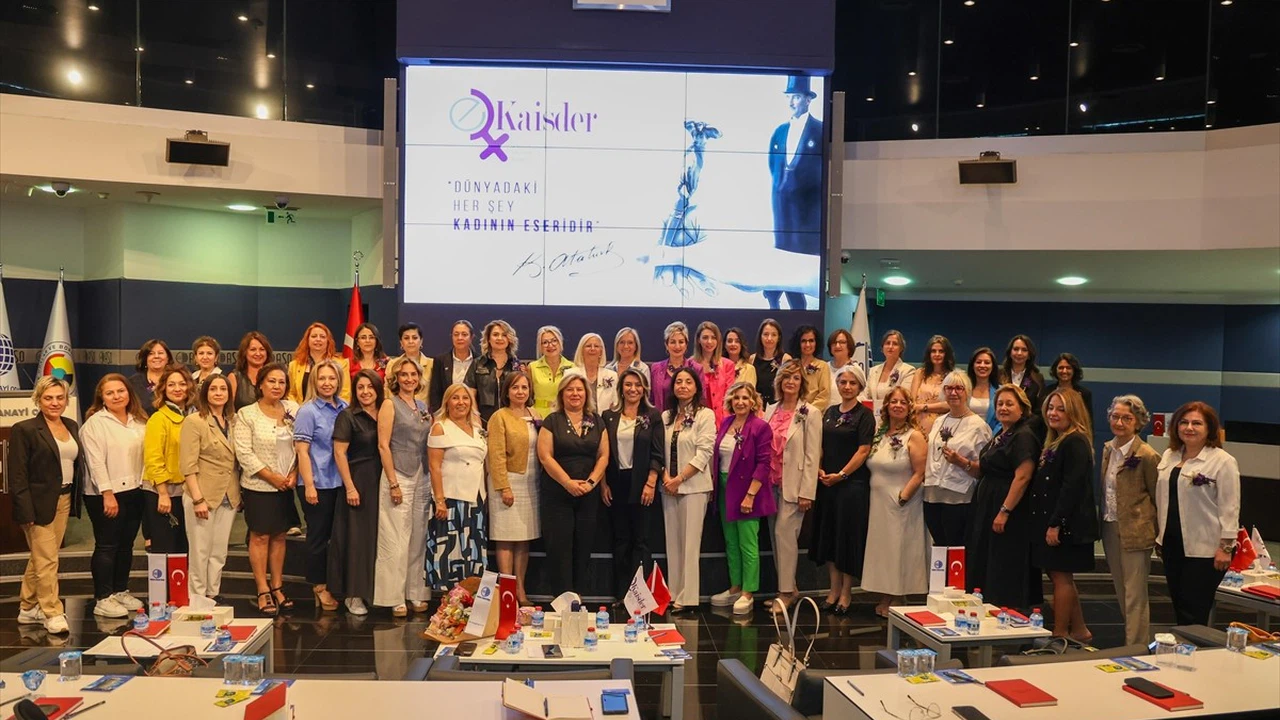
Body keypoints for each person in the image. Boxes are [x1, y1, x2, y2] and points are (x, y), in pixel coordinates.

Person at [1156, 401, 1241, 626]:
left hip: (1205, 549)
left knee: (1195, 609)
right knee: (1179, 605)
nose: (1189, 428)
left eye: (1197, 423)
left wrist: (1226, 547)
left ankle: (1196, 646)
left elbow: (1230, 506)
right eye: (1183, 422)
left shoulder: (1223, 461)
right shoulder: (1170, 455)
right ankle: (1185, 645)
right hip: (1172, 543)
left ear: (1209, 428)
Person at [10, 377, 83, 634]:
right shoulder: (25, 429)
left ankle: (28, 607)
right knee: (48, 560)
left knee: (42, 558)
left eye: (59, 398)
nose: (55, 403)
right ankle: (52, 611)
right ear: (38, 400)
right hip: (36, 504)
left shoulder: (71, 426)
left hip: (63, 499)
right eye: (48, 398)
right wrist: (25, 510)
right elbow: (17, 475)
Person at [963, 384, 1041, 610]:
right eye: (1000, 404)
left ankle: (1008, 609)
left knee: (1004, 559)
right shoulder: (1002, 433)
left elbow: (1023, 476)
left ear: (1022, 408)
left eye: (1009, 404)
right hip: (988, 502)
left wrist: (1004, 511)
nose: (1003, 408)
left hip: (1008, 508)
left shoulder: (1023, 436)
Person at [1029, 389, 1098, 641]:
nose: (1053, 413)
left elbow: (1072, 487)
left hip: (1066, 524)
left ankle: (1060, 634)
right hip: (1052, 520)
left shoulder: (1075, 441)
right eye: (1050, 408)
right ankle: (1080, 630)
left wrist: (1056, 523)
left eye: (1060, 409)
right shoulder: (1056, 440)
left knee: (1061, 577)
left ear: (1073, 412)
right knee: (1059, 575)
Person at [233, 363, 299, 616]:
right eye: (271, 381)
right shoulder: (246, 414)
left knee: (280, 535)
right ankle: (262, 589)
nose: (277, 386)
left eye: (281, 382)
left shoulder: (293, 410)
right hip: (259, 486)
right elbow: (244, 452)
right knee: (260, 536)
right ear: (260, 384)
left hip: (286, 485)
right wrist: (271, 477)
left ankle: (277, 586)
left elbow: (302, 445)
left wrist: (294, 473)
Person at [80, 374, 148, 618]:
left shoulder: (139, 420)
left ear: (129, 392)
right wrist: (107, 494)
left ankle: (120, 590)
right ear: (102, 397)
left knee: (126, 545)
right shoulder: (95, 424)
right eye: (110, 393)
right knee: (107, 545)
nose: (117, 396)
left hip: (134, 490)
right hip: (105, 494)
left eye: (121, 391)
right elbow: (96, 462)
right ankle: (103, 597)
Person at [809, 364, 875, 615]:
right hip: (828, 484)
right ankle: (833, 589)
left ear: (860, 386)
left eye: (852, 383)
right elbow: (821, 444)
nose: (847, 387)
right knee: (829, 538)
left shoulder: (865, 415)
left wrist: (842, 474)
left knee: (846, 539)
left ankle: (846, 592)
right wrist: (819, 468)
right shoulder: (829, 412)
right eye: (843, 382)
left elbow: (863, 450)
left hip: (852, 486)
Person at [537, 373, 609, 595]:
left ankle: (578, 599)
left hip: (588, 493)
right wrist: (567, 482)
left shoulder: (597, 421)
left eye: (579, 389)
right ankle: (562, 599)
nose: (575, 394)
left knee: (583, 547)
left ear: (586, 394)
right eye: (570, 389)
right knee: (559, 548)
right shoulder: (552, 420)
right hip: (557, 494)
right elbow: (545, 457)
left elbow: (604, 456)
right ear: (562, 394)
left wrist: (591, 482)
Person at [1098, 394, 1160, 646]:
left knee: (1135, 594)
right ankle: (1135, 640)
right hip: (1110, 525)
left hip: (1136, 531)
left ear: (1138, 422)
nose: (1119, 422)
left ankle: (1135, 647)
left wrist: (1158, 534)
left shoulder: (1147, 455)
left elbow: (1157, 497)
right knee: (1121, 590)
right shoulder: (1107, 449)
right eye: (1115, 417)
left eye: (1126, 418)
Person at [710, 382, 775, 615]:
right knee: (731, 542)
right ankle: (735, 587)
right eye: (736, 398)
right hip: (725, 488)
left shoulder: (760, 427)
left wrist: (750, 495)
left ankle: (748, 591)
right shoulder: (726, 423)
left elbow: (764, 463)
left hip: (748, 490)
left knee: (748, 544)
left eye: (745, 398)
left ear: (753, 402)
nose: (740, 402)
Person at [863, 386, 929, 616]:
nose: (898, 406)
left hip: (902, 502)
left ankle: (899, 596)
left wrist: (904, 496)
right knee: (885, 551)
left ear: (909, 407)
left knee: (900, 549)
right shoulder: (879, 435)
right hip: (879, 502)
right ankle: (886, 594)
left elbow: (920, 472)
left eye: (903, 402)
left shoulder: (914, 435)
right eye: (894, 402)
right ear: (886, 406)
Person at [762, 360, 822, 615]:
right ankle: (789, 587)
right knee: (777, 538)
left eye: (796, 378)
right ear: (779, 381)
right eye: (786, 377)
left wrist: (807, 492)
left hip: (794, 487)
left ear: (802, 383)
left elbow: (812, 454)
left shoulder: (810, 412)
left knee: (784, 536)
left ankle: (785, 593)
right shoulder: (770, 409)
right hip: (770, 484)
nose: (790, 382)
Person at [602, 367, 664, 603]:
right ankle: (621, 594)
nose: (633, 389)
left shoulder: (652, 415)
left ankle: (640, 597)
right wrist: (603, 484)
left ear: (644, 389)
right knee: (621, 540)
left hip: (642, 483)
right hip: (616, 483)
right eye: (628, 384)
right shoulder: (608, 416)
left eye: (638, 385)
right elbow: (603, 454)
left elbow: (658, 453)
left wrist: (651, 482)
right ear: (621, 388)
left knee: (641, 540)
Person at [376, 358, 432, 617]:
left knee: (418, 537)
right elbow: (383, 445)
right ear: (396, 378)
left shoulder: (422, 406)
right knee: (396, 538)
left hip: (422, 475)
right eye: (404, 375)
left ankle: (416, 592)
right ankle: (394, 597)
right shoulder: (390, 404)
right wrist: (393, 483)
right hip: (398, 475)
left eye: (413, 374)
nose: (409, 379)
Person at [179, 374, 240, 602]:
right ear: (205, 393)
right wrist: (197, 499)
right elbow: (188, 465)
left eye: (223, 389)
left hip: (229, 495)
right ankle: (197, 598)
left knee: (218, 551)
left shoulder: (233, 421)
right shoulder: (194, 421)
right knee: (200, 551)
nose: (219, 393)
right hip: (202, 494)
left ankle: (213, 594)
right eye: (213, 389)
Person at [293, 360, 348, 612]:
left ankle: (336, 583)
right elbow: (302, 451)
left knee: (337, 538)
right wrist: (309, 485)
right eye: (322, 378)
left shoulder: (344, 407)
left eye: (332, 378)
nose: (327, 383)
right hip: (318, 483)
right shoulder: (308, 411)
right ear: (314, 381)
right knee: (318, 537)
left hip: (340, 483)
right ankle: (319, 586)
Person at [765, 74, 823, 310]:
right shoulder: (780, 132)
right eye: (789, 97)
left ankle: (798, 310)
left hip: (807, 211)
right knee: (782, 253)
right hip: (782, 207)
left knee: (799, 259)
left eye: (796, 97)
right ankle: (775, 300)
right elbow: (773, 165)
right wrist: (783, 186)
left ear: (808, 99)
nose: (791, 102)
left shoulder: (820, 130)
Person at [659, 367, 715, 613]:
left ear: (696, 387)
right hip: (668, 487)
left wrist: (679, 479)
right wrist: (666, 478)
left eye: (688, 382)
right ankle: (673, 593)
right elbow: (658, 450)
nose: (682, 386)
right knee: (672, 543)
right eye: (678, 382)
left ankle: (689, 597)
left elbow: (704, 453)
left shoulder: (705, 415)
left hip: (693, 487)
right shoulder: (666, 416)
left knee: (690, 544)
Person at [329, 370, 385, 616]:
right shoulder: (348, 416)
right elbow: (339, 452)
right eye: (360, 387)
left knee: (377, 538)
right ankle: (353, 595)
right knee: (357, 540)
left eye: (370, 387)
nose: (365, 392)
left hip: (383, 480)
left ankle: (375, 592)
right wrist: (350, 486)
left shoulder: (386, 413)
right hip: (359, 481)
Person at [426, 383, 489, 590]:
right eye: (455, 398)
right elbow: (434, 466)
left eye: (465, 398)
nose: (461, 402)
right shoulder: (440, 427)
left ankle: (472, 596)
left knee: (473, 549)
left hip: (475, 499)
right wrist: (439, 500)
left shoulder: (478, 430)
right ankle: (450, 600)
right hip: (451, 500)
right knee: (451, 550)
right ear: (447, 402)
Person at [487, 370, 542, 605]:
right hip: (508, 482)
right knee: (506, 538)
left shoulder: (535, 414)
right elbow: (496, 455)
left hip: (531, 482)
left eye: (524, 387)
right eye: (515, 387)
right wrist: (504, 487)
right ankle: (507, 591)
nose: (520, 392)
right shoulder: (500, 416)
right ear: (507, 392)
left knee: (523, 539)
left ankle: (521, 589)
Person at [925, 371, 993, 547]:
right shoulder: (939, 421)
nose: (953, 393)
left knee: (957, 551)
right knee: (939, 551)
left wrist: (961, 462)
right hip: (932, 496)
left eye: (959, 388)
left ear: (967, 391)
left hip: (959, 498)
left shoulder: (978, 426)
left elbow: (984, 470)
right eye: (949, 388)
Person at [143, 365, 193, 553]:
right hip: (163, 492)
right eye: (171, 385)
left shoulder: (193, 416)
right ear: (163, 389)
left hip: (186, 491)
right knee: (166, 550)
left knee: (184, 548)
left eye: (182, 384)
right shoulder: (158, 419)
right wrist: (163, 494)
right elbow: (153, 459)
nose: (177, 389)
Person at [286, 322, 351, 405]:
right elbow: (291, 393)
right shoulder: (294, 365)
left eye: (322, 337)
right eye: (314, 336)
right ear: (307, 340)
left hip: (332, 411)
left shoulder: (341, 364)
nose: (318, 339)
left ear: (328, 341)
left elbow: (345, 394)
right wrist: (298, 409)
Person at [476, 319, 522, 423]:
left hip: (511, 420)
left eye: (504, 335)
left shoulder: (516, 365)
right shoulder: (477, 364)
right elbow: (470, 394)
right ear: (488, 338)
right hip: (483, 420)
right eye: (495, 335)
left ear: (509, 339)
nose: (500, 338)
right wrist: (475, 418)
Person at [692, 321, 737, 425]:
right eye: (705, 338)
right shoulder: (690, 365)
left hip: (722, 421)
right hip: (698, 420)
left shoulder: (727, 365)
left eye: (713, 338)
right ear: (698, 340)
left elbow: (728, 397)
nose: (709, 341)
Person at [650, 321, 703, 409]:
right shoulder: (655, 368)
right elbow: (651, 399)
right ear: (666, 345)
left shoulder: (696, 368)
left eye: (681, 342)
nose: (677, 346)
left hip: (688, 416)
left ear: (686, 344)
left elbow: (701, 399)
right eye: (673, 342)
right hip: (660, 416)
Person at [862, 330, 914, 417]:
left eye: (895, 344)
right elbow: (865, 395)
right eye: (887, 343)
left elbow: (903, 399)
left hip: (895, 417)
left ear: (901, 348)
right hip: (873, 417)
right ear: (882, 348)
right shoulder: (873, 371)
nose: (890, 346)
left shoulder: (908, 371)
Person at [908, 334, 954, 434]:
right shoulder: (920, 373)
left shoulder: (952, 377)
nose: (937, 354)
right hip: (916, 425)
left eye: (941, 351)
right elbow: (911, 401)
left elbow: (950, 404)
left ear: (947, 354)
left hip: (940, 426)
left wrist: (923, 407)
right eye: (933, 351)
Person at [429, 320, 479, 410]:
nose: (460, 338)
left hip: (473, 413)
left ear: (471, 337)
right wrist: (438, 414)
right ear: (451, 337)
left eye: (464, 334)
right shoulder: (441, 361)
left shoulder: (480, 361)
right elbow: (435, 393)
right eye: (456, 334)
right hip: (447, 412)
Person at [530, 325, 576, 414]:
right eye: (545, 342)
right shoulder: (532, 367)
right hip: (538, 415)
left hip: (564, 413)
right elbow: (528, 397)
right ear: (540, 346)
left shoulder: (572, 367)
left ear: (560, 342)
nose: (550, 345)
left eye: (554, 341)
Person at [1045, 353, 1094, 430]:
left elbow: (1088, 421)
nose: (1064, 371)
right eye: (1061, 368)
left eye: (1068, 368)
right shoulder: (1047, 391)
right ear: (1055, 370)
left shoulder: (1084, 394)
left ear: (1074, 370)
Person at [1000, 335, 1045, 421]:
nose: (1019, 353)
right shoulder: (998, 375)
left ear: (1029, 355)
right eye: (1016, 349)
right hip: (1000, 424)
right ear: (1010, 352)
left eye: (1024, 350)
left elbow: (1039, 411)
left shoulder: (1037, 378)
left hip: (1027, 425)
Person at [387, 322, 433, 404]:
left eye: (414, 338)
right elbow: (388, 392)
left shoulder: (432, 364)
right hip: (397, 409)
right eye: (406, 338)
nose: (411, 341)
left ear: (421, 341)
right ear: (401, 342)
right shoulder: (392, 364)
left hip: (423, 409)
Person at [788, 324, 831, 410]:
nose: (807, 344)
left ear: (816, 343)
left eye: (811, 341)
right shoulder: (791, 365)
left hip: (813, 413)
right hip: (790, 411)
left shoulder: (822, 366)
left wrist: (805, 411)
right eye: (803, 341)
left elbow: (824, 396)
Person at [573, 332, 619, 413]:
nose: (592, 349)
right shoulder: (570, 374)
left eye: (596, 346)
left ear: (601, 351)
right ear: (581, 350)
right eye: (588, 346)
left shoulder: (612, 375)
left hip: (604, 419)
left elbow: (616, 403)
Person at [750, 318, 790, 407]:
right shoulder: (752, 359)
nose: (769, 338)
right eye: (766, 334)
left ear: (779, 338)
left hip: (778, 407)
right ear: (760, 336)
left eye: (773, 335)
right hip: (757, 407)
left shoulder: (785, 359)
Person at [229, 331, 273, 412]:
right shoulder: (234, 377)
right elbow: (228, 409)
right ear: (245, 352)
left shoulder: (274, 377)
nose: (258, 353)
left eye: (262, 349)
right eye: (253, 349)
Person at [128, 339, 174, 415]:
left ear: (168, 358)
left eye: (160, 353)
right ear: (145, 359)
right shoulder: (133, 382)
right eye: (151, 354)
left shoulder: (177, 378)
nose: (156, 356)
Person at [966, 347, 1000, 431]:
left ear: (993, 366)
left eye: (987, 362)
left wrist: (991, 436)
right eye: (978, 362)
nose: (982, 365)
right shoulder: (963, 389)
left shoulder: (1001, 391)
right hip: (965, 434)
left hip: (991, 436)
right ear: (972, 365)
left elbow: (1002, 422)